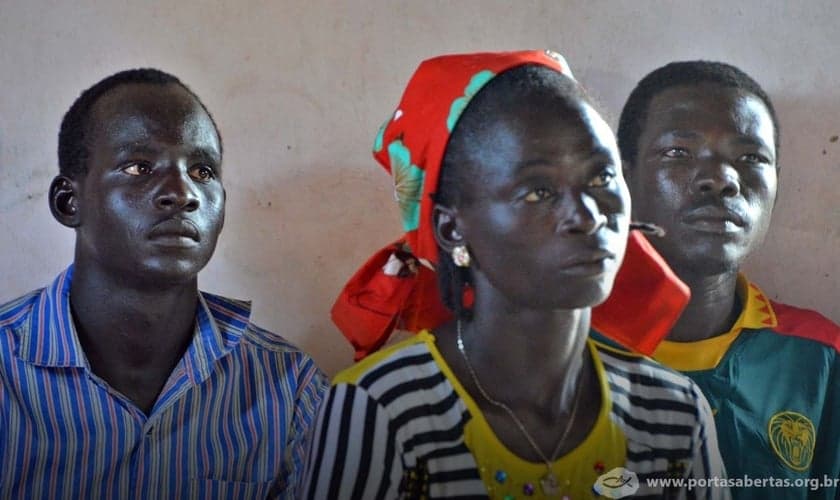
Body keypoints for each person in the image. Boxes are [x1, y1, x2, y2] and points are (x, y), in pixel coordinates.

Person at [302, 51, 728, 499]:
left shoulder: (673, 415)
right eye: (538, 191)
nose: (586, 216)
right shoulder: (383, 408)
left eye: (602, 177)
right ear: (452, 228)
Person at [0, 68, 326, 499]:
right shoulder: (7, 372)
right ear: (68, 201)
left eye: (203, 171)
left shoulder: (288, 386)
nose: (183, 192)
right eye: (139, 166)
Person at [618, 61, 840, 499]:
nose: (721, 180)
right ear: (622, 178)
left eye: (751, 157)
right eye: (678, 152)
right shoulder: (560, 351)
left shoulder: (818, 358)